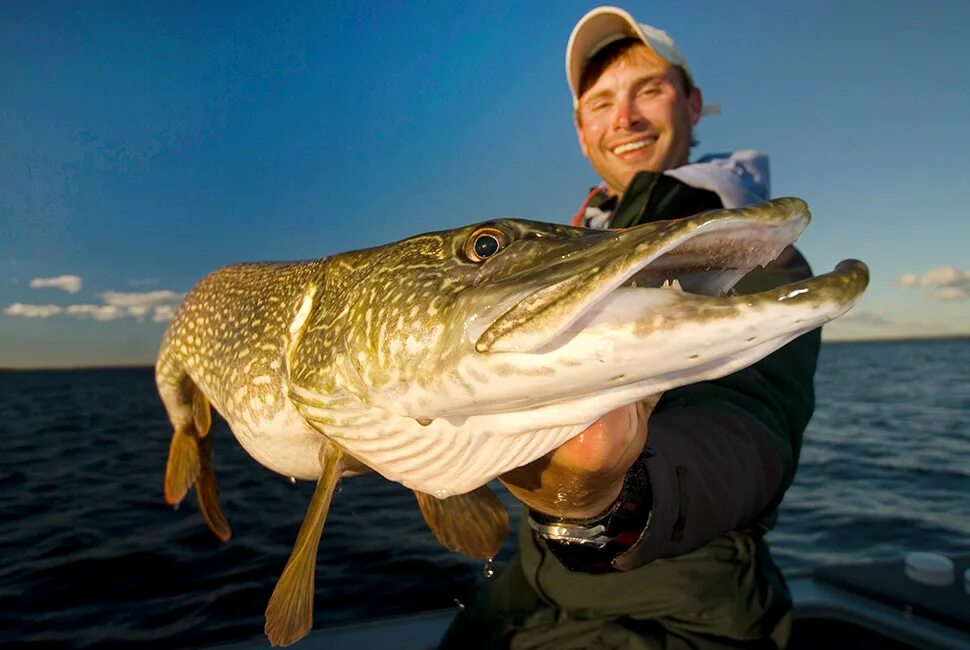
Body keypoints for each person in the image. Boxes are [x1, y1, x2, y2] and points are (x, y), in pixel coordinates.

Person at [440, 6, 821, 650]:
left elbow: (748, 431)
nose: (625, 119)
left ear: (693, 104)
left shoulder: (747, 249)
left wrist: (607, 502)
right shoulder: (555, 252)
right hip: (534, 578)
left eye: (649, 89)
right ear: (582, 130)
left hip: (688, 597)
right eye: (601, 102)